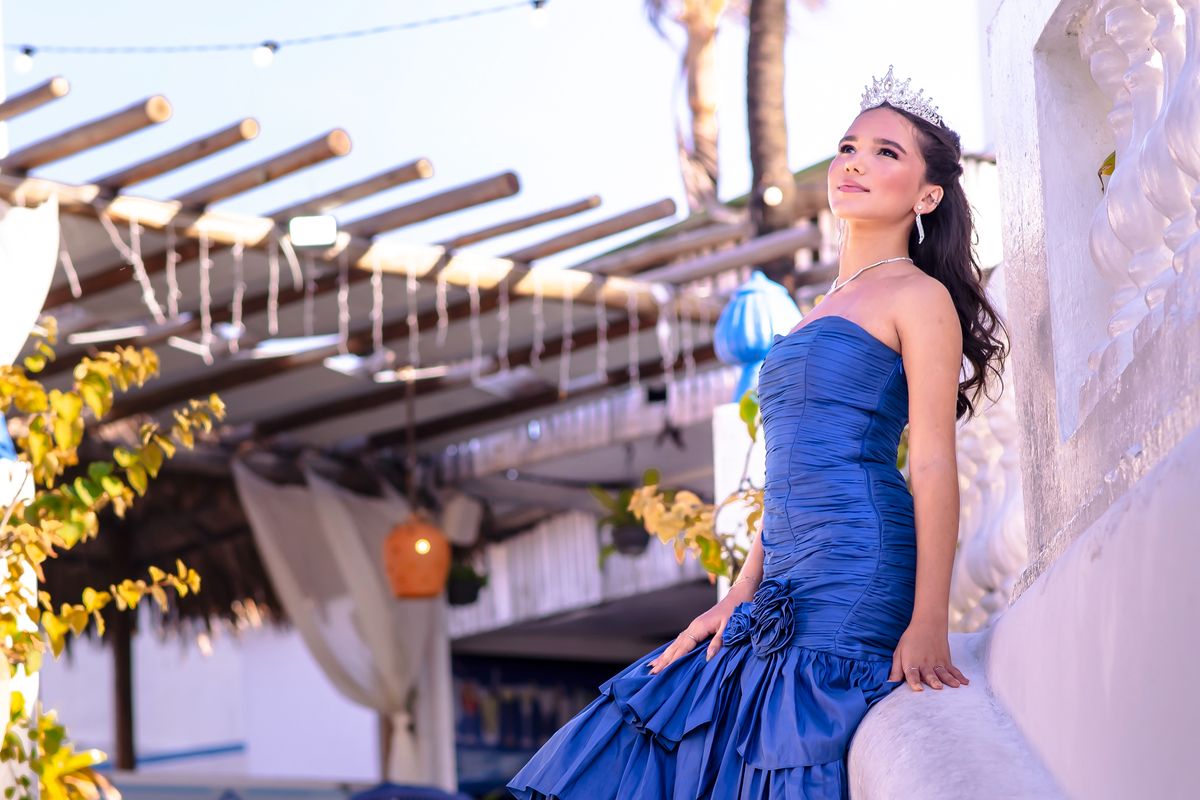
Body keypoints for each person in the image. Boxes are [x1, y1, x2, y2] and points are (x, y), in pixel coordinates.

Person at [508, 66, 1007, 800]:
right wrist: (741, 590)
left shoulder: (918, 295)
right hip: (784, 570)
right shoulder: (815, 307)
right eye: (848, 146)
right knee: (678, 705)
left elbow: (931, 463)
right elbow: (789, 470)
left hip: (856, 560)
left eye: (886, 152)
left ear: (928, 194)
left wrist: (931, 617)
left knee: (788, 744)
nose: (856, 163)